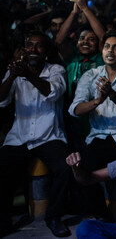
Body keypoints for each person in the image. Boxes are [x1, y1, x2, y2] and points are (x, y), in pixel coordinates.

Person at [0, 31, 70, 237]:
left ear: (46, 51)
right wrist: (12, 74)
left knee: (65, 168)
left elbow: (53, 92)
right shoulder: (16, 71)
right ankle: (4, 221)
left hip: (48, 136)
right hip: (19, 137)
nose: (32, 49)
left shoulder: (56, 70)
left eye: (38, 46)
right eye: (29, 45)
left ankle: (54, 216)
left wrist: (27, 75)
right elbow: (1, 100)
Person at [68, 30, 116, 219]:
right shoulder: (90, 75)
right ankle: (101, 217)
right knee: (80, 171)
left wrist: (113, 95)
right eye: (107, 47)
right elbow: (75, 109)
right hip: (98, 135)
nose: (110, 51)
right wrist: (97, 101)